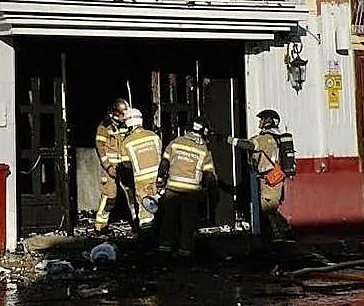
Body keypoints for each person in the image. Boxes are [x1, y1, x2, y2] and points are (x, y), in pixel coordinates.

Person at [156, 117, 217, 258]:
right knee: (187, 224)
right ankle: (185, 253)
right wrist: (212, 194)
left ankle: (164, 250)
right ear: (203, 132)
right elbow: (209, 176)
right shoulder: (203, 150)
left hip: (172, 191)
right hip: (191, 193)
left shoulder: (174, 144)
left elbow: (164, 165)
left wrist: (159, 182)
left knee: (168, 222)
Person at [231, 108, 293, 243]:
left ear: (268, 121)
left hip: (270, 180)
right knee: (271, 209)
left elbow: (249, 145)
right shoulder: (275, 137)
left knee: (268, 209)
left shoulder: (265, 139)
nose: (260, 122)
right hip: (275, 179)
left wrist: (229, 140)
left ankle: (279, 237)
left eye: (262, 120)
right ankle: (284, 232)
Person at [94, 98, 132, 233]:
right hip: (110, 168)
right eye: (122, 114)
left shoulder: (127, 125)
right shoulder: (104, 127)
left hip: (125, 167)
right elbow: (100, 148)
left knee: (131, 196)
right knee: (109, 196)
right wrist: (108, 166)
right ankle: (100, 225)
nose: (124, 117)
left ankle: (136, 223)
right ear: (115, 113)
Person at [122, 108, 163, 231]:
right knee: (161, 207)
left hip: (142, 181)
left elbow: (126, 164)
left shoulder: (127, 142)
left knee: (145, 212)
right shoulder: (154, 136)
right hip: (158, 179)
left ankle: (147, 238)